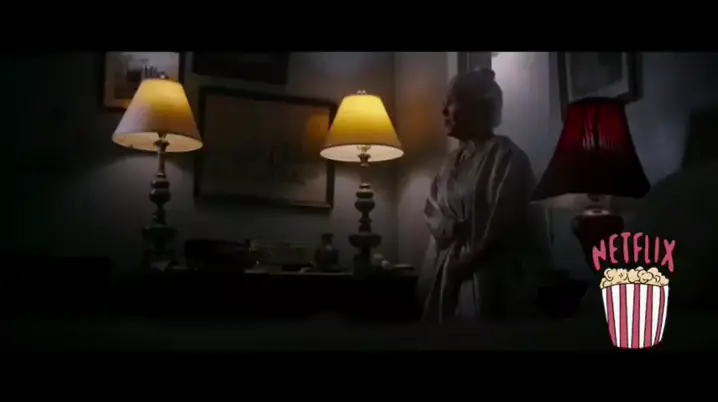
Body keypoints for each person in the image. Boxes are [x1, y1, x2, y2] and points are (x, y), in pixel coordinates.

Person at [417, 68, 554, 323]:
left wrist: (470, 261)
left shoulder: (507, 157)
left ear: (478, 106)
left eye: (450, 103)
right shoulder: (449, 164)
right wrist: (448, 229)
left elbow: (506, 221)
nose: (443, 112)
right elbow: (432, 209)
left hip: (493, 280)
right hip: (448, 276)